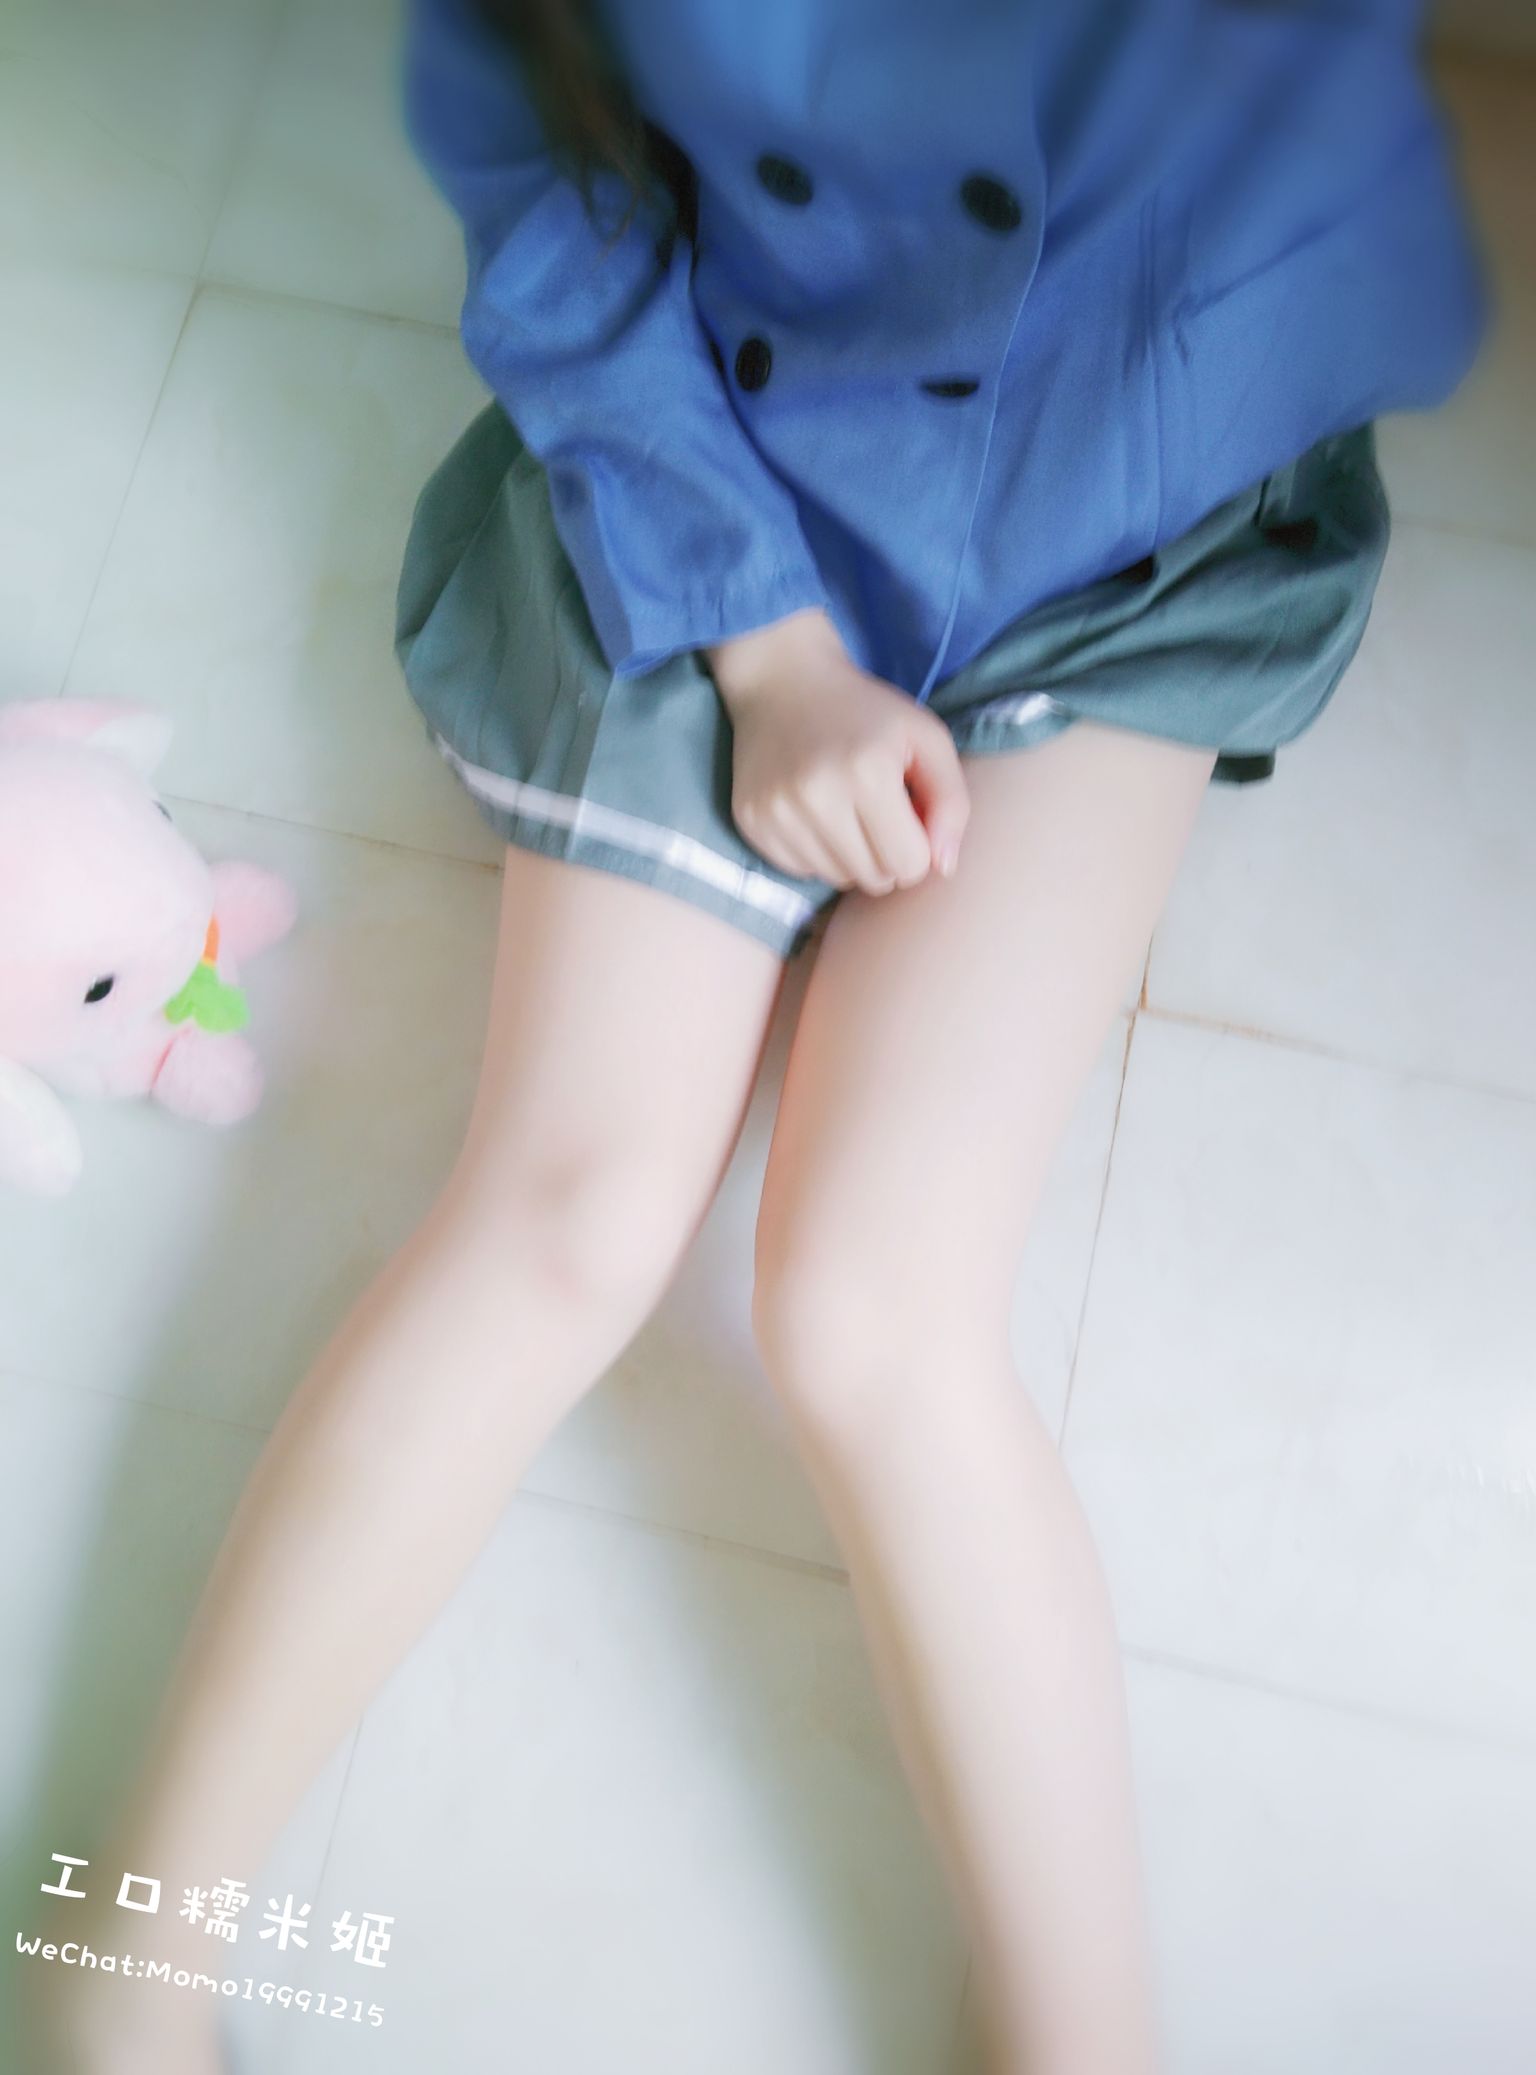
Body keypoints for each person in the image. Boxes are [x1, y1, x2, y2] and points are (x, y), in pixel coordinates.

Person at [34, 3, 1483, 2071]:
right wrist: (775, 657)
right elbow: (551, 212)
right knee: (564, 1218)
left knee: (873, 1309)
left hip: (1136, 524)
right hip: (721, 497)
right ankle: (121, 1973)